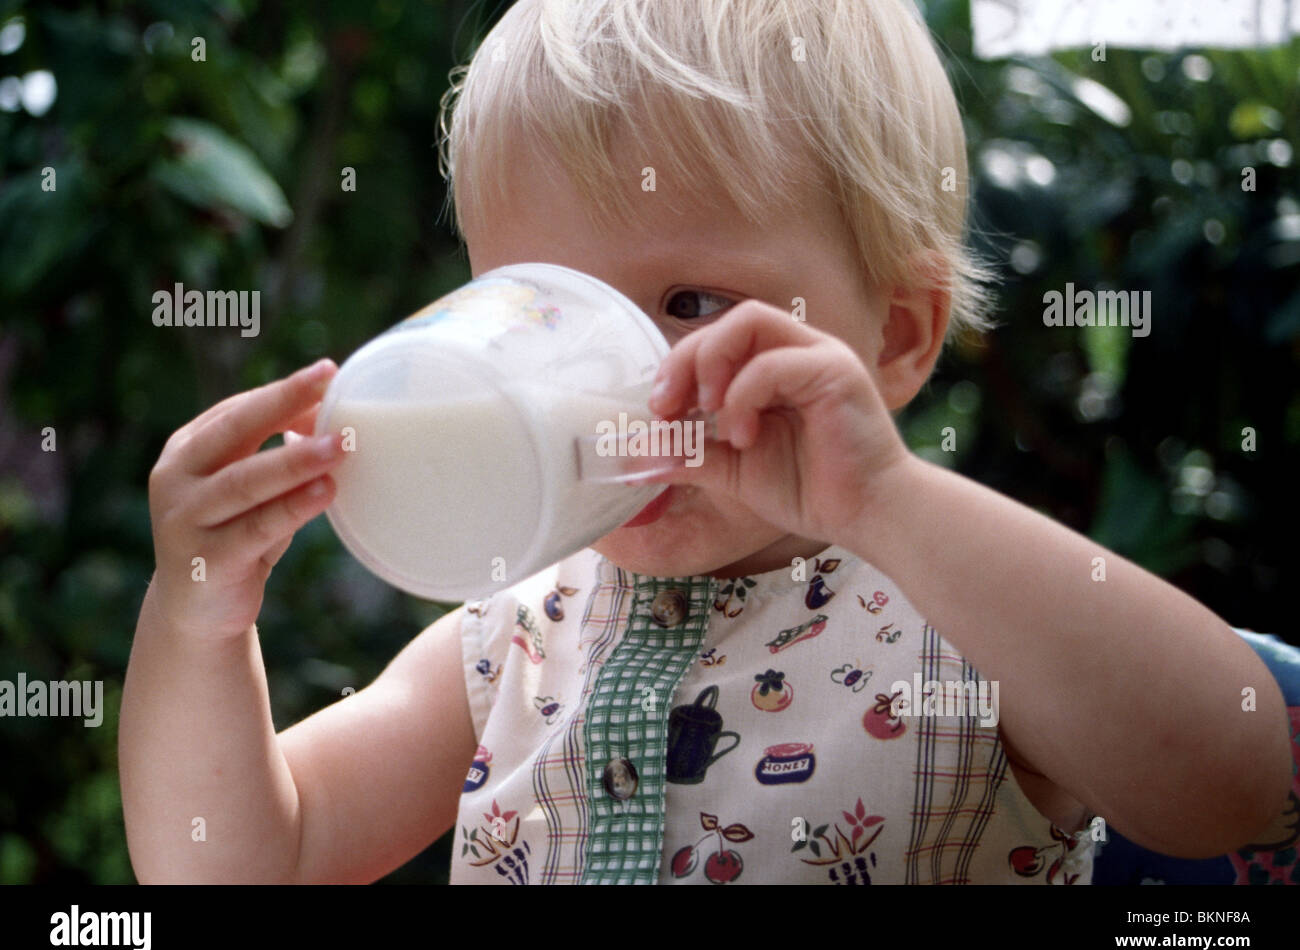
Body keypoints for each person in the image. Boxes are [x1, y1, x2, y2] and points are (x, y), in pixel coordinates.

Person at [119, 0, 1293, 884]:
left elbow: (1237, 786)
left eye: (688, 304)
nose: (618, 379)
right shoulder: (509, 644)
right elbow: (244, 863)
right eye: (542, 311)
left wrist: (885, 499)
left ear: (892, 335)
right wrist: (199, 620)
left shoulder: (967, 621)